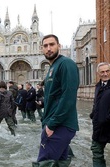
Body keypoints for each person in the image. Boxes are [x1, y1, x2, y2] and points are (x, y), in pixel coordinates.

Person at [33, 34, 79, 166]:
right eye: (45, 46)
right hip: (55, 123)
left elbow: (68, 97)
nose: (48, 48)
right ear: (41, 48)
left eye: (52, 45)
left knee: (44, 163)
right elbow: (54, 95)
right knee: (60, 163)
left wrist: (52, 124)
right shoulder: (52, 67)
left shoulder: (66, 64)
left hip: (59, 125)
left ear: (59, 46)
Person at [89, 62, 110, 167]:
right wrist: (93, 114)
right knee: (97, 155)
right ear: (98, 74)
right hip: (98, 129)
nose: (105, 74)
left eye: (107, 71)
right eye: (102, 72)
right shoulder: (98, 86)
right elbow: (97, 103)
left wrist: (107, 118)